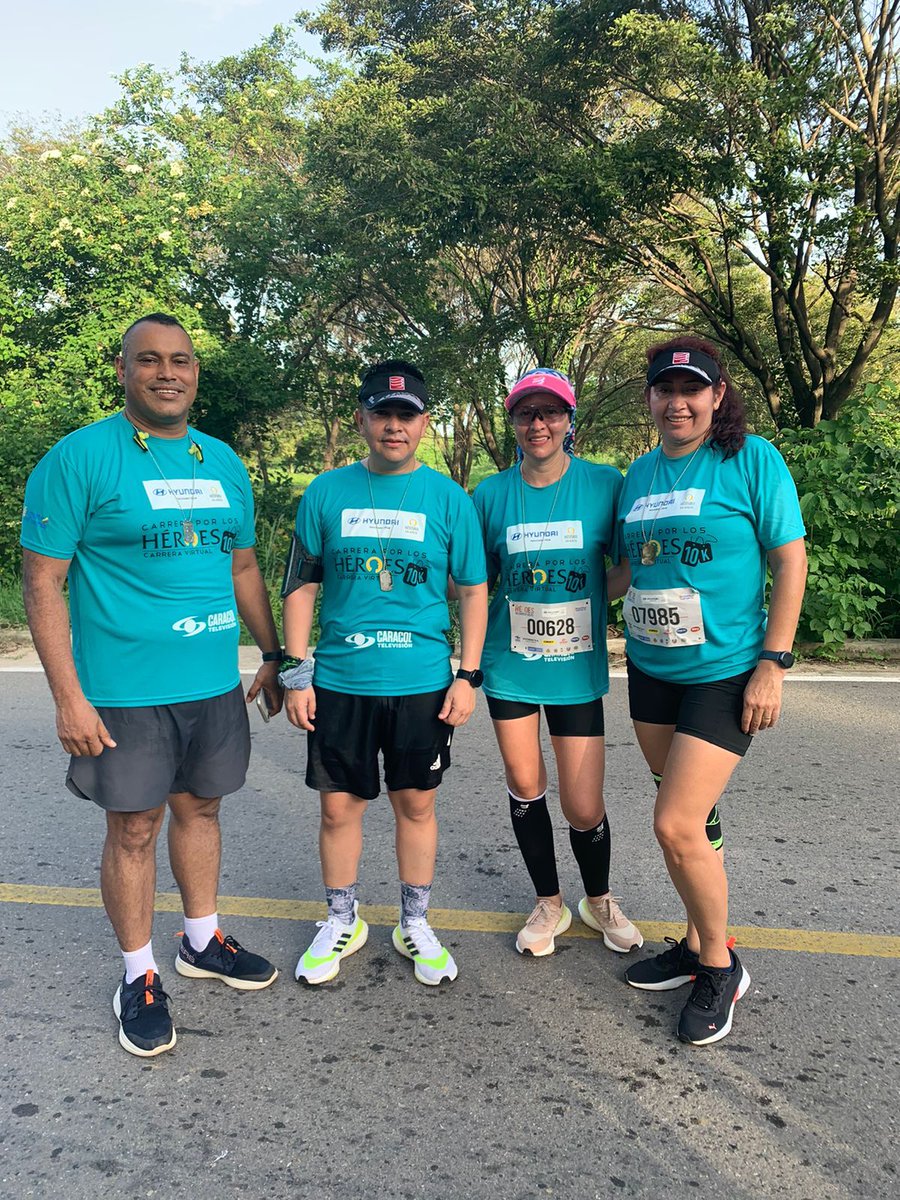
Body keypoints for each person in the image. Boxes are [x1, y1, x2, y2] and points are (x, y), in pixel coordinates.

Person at [21, 313, 282, 1059]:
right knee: (134, 829)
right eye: (149, 360)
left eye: (181, 361)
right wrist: (69, 698)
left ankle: (201, 939)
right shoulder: (78, 459)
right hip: (125, 693)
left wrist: (273, 653)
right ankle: (137, 975)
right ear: (123, 369)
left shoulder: (221, 461)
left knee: (202, 808)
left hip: (212, 684)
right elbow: (42, 581)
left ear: (196, 372)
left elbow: (241, 566)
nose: (167, 373)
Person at [615, 336, 807, 1046]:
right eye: (665, 390)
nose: (678, 402)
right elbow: (626, 570)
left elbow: (790, 560)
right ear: (650, 398)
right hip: (651, 670)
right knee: (696, 820)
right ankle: (698, 941)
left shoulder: (751, 459)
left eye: (691, 389)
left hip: (724, 671)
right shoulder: (639, 474)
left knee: (675, 824)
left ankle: (721, 967)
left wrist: (773, 663)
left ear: (717, 395)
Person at [282, 359, 487, 987]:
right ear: (361, 419)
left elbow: (473, 590)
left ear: (424, 423)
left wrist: (468, 675)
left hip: (422, 683)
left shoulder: (449, 499)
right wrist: (296, 670)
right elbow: (301, 584)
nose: (394, 426)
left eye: (406, 415)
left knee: (415, 805)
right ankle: (341, 919)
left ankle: (414, 923)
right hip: (340, 682)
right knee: (338, 810)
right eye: (382, 413)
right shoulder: (325, 493)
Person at [472, 368, 642, 957]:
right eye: (526, 413)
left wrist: (593, 596)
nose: (538, 424)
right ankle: (549, 903)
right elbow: (474, 581)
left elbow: (625, 569)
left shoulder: (605, 484)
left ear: (569, 420)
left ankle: (599, 900)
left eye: (550, 412)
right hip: (510, 665)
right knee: (525, 784)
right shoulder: (490, 495)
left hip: (575, 667)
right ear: (514, 422)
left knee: (583, 804)